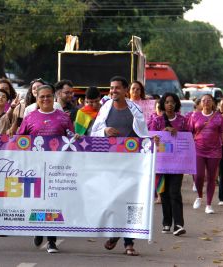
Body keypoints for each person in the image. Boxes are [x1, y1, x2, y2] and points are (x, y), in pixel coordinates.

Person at [90, 76, 151, 256]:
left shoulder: (135, 110)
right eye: (111, 88)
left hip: (131, 164)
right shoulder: (105, 109)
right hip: (109, 164)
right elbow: (94, 132)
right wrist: (105, 131)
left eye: (117, 88)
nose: (113, 91)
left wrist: (150, 142)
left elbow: (143, 135)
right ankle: (116, 232)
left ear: (126, 90)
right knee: (113, 200)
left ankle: (129, 243)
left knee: (130, 201)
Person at [18, 84, 76, 253]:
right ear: (37, 98)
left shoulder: (63, 118)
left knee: (54, 202)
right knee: (38, 201)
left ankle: (51, 240)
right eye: (42, 96)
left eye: (48, 96)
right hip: (35, 167)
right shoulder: (29, 117)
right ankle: (38, 228)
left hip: (57, 167)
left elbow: (71, 138)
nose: (45, 99)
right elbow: (21, 140)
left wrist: (76, 138)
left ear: (54, 97)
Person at [150, 93, 188, 236]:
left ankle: (178, 224)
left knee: (175, 192)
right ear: (163, 104)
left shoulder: (183, 122)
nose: (170, 104)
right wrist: (161, 133)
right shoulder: (157, 121)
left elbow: (188, 141)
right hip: (161, 163)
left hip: (178, 163)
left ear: (176, 104)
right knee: (164, 193)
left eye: (172, 102)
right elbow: (151, 137)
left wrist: (177, 134)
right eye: (167, 102)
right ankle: (166, 223)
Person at [189, 94, 223, 214]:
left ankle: (208, 205)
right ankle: (199, 196)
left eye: (209, 100)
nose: (206, 102)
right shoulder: (195, 116)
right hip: (198, 150)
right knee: (198, 176)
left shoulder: (219, 117)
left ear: (213, 103)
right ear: (200, 103)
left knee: (211, 178)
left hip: (214, 151)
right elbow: (189, 133)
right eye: (203, 100)